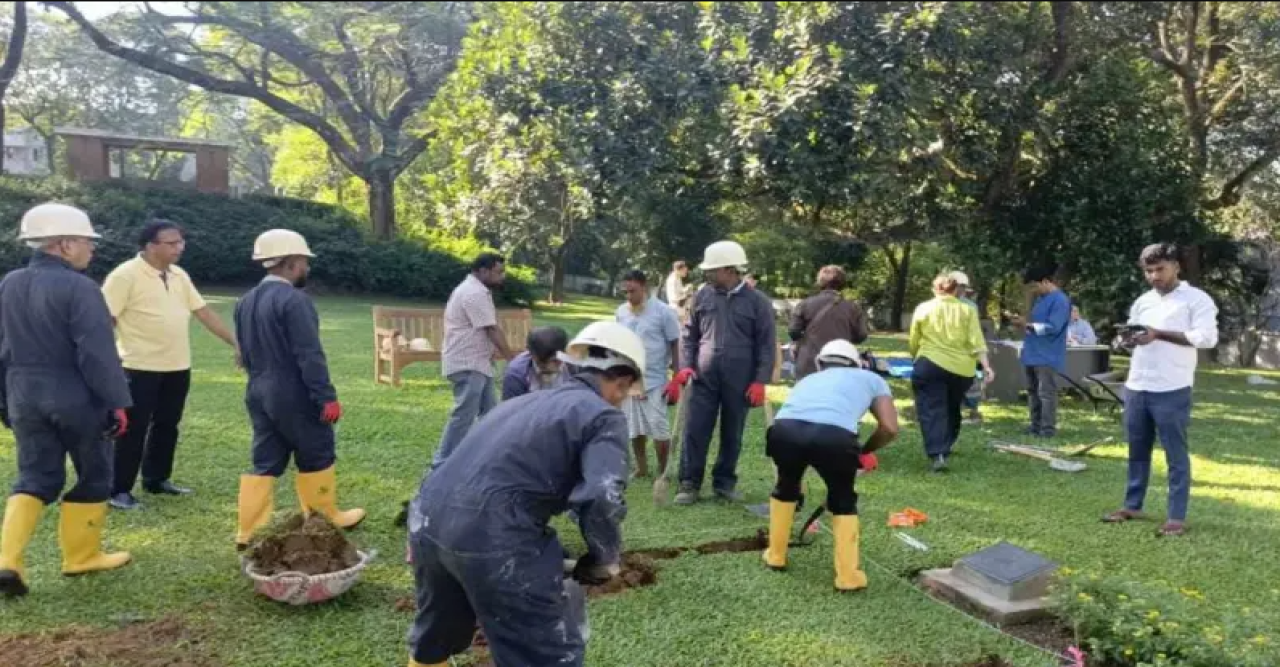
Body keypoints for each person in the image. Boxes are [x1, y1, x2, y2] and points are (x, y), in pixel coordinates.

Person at [404, 322, 643, 667]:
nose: (621, 400)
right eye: (624, 392)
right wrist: (605, 557)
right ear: (621, 382)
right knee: (544, 655)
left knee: (435, 638)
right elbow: (602, 496)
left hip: (426, 521)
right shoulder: (603, 417)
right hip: (492, 534)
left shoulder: (521, 404)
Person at [0, 203, 134, 598]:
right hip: (75, 394)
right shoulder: (81, 288)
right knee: (94, 473)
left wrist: (4, 400)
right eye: (87, 242)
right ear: (64, 244)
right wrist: (117, 402)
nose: (92, 249)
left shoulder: (8, 283)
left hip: (22, 392)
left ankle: (8, 561)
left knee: (35, 477)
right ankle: (81, 557)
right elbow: (96, 353)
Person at [233, 229, 364, 548]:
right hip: (293, 391)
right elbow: (309, 354)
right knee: (316, 450)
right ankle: (323, 518)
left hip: (258, 390)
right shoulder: (294, 300)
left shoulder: (244, 302)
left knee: (265, 459)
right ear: (291, 262)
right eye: (304, 261)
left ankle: (248, 530)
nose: (307, 267)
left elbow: (241, 354)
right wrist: (326, 397)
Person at [102, 219, 238, 510]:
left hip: (177, 365)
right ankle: (118, 490)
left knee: (167, 425)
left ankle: (157, 479)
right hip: (138, 366)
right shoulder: (125, 276)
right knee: (133, 429)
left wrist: (238, 344)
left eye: (181, 241)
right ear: (150, 246)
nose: (180, 247)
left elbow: (203, 313)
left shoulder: (179, 275)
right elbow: (106, 320)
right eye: (172, 243)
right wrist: (105, 361)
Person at [763, 340, 898, 592]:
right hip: (834, 437)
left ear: (820, 363)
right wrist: (864, 451)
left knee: (786, 487)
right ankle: (848, 578)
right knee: (843, 500)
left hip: (784, 431)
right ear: (856, 362)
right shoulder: (872, 378)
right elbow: (889, 428)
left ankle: (776, 556)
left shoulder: (807, 380)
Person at [1103, 243, 1218, 537]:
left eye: (1160, 269)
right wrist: (1127, 341)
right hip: (1138, 385)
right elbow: (1134, 334)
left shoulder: (1196, 299)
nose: (1154, 276)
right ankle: (1132, 504)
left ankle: (1176, 517)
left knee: (1174, 453)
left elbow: (1206, 339)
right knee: (1137, 450)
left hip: (1172, 386)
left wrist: (1159, 335)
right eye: (1148, 271)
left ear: (1176, 266)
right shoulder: (1143, 301)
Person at [669, 240, 776, 504]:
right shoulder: (702, 296)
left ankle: (724, 482)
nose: (707, 274)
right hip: (703, 377)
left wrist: (760, 380)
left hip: (739, 379)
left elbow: (766, 344)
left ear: (729, 269)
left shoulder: (758, 302)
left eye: (712, 270)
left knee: (733, 431)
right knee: (695, 429)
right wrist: (684, 367)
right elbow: (688, 335)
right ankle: (689, 483)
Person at [431, 253, 514, 470]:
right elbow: (492, 329)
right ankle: (440, 465)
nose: (501, 277)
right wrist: (512, 359)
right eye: (498, 272)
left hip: (477, 363)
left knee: (490, 414)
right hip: (467, 363)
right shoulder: (474, 293)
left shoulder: (476, 290)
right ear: (483, 271)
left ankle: (487, 459)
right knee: (463, 416)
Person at [909, 273, 994, 472]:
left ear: (934, 289)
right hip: (961, 369)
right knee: (952, 405)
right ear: (956, 290)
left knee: (931, 408)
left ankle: (937, 453)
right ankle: (948, 443)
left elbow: (914, 337)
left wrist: (915, 356)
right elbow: (976, 341)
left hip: (929, 362)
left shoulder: (923, 308)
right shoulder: (967, 310)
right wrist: (986, 366)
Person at [616, 270, 681, 479]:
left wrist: (676, 376)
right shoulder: (621, 312)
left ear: (644, 287)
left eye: (632, 291)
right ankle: (641, 467)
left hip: (655, 378)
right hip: (629, 377)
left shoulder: (664, 312)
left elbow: (675, 342)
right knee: (634, 426)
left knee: (658, 426)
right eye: (625, 292)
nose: (629, 296)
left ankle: (664, 471)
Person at [789, 265, 870, 380]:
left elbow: (793, 332)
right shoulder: (853, 308)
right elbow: (862, 335)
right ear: (842, 284)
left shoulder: (805, 304)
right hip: (842, 362)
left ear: (820, 282)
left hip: (809, 363)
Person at [1019, 266, 1070, 438]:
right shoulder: (1041, 299)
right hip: (1032, 352)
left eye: (1035, 286)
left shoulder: (1060, 300)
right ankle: (1035, 425)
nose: (1034, 290)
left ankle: (1047, 429)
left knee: (1046, 393)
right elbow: (1035, 324)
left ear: (1046, 281)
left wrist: (1029, 325)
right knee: (1032, 392)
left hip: (1048, 354)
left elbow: (1054, 327)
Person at [949, 271, 986, 425]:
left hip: (965, 351)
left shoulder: (971, 306)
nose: (961, 290)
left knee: (970, 382)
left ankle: (972, 411)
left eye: (963, 287)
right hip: (947, 350)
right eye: (959, 286)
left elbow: (974, 331)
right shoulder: (939, 304)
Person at [501, 326, 571, 400]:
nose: (549, 367)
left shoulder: (576, 366)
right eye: (542, 363)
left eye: (555, 361)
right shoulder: (515, 373)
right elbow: (512, 407)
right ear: (530, 352)